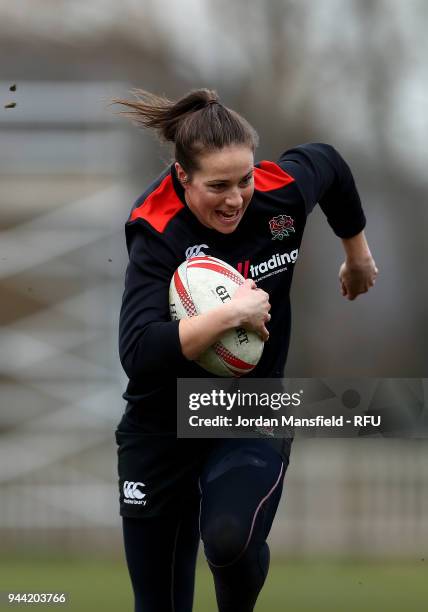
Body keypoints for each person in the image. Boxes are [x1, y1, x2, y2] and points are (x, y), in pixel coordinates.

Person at [112, 88, 378, 612]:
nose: (235, 198)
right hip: (161, 424)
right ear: (182, 178)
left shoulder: (279, 192)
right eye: (217, 185)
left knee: (231, 541)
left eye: (245, 180)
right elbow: (139, 351)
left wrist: (358, 255)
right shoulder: (156, 227)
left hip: (249, 410)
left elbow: (330, 164)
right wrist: (231, 315)